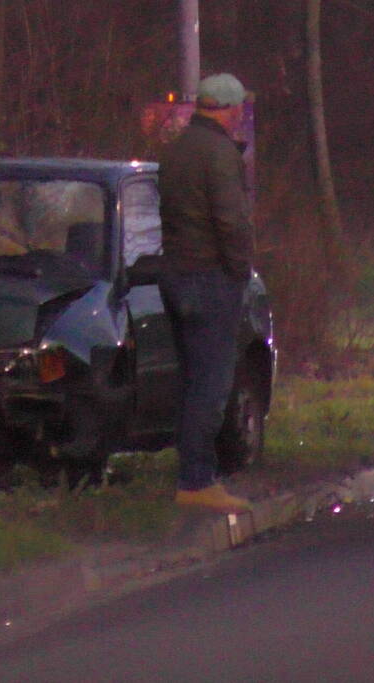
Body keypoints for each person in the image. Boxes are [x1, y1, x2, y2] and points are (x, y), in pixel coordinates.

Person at [158, 73, 254, 513]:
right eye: (240, 111)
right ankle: (197, 481)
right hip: (210, 277)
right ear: (231, 109)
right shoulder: (219, 154)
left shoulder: (176, 150)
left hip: (176, 275)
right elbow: (230, 222)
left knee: (190, 380)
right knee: (211, 382)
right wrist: (240, 270)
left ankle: (192, 473)